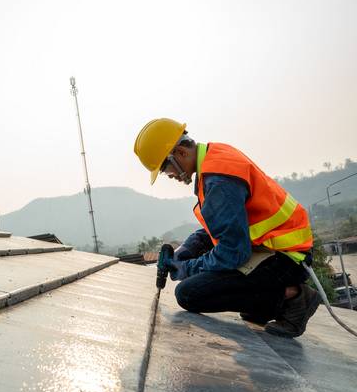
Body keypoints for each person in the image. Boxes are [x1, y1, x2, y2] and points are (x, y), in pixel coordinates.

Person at [133, 118, 321, 338]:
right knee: (244, 304)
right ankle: (267, 305)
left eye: (165, 168)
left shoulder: (218, 181)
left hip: (286, 258)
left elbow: (233, 253)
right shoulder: (214, 157)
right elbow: (218, 228)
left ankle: (295, 296)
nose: (170, 175)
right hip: (273, 249)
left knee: (189, 293)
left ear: (180, 153)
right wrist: (186, 251)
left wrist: (186, 268)